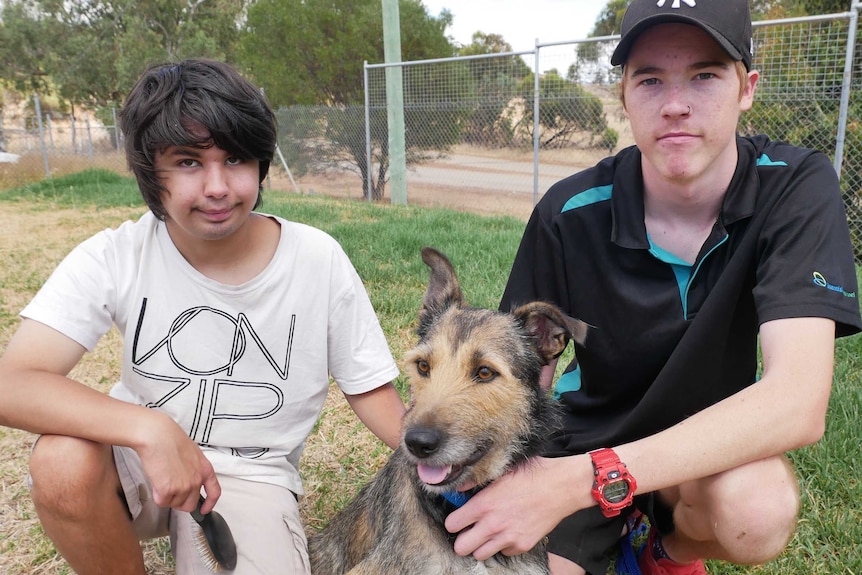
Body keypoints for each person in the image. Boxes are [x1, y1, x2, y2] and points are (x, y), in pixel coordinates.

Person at [443, 1, 862, 574]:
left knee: (759, 509)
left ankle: (663, 553)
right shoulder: (569, 211)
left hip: (705, 454)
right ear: (624, 97)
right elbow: (522, 375)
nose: (675, 105)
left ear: (747, 88)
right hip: (580, 444)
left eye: (706, 75)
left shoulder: (794, 188)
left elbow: (798, 403)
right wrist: (506, 478)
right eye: (650, 79)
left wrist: (600, 476)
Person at [0, 58, 405, 574]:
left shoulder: (317, 258)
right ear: (152, 171)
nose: (217, 186)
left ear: (260, 163)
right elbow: (11, 384)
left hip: (252, 476)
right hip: (137, 460)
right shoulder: (117, 254)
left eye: (234, 158)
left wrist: (457, 462)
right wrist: (149, 429)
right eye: (188, 161)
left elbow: (369, 389)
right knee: (61, 461)